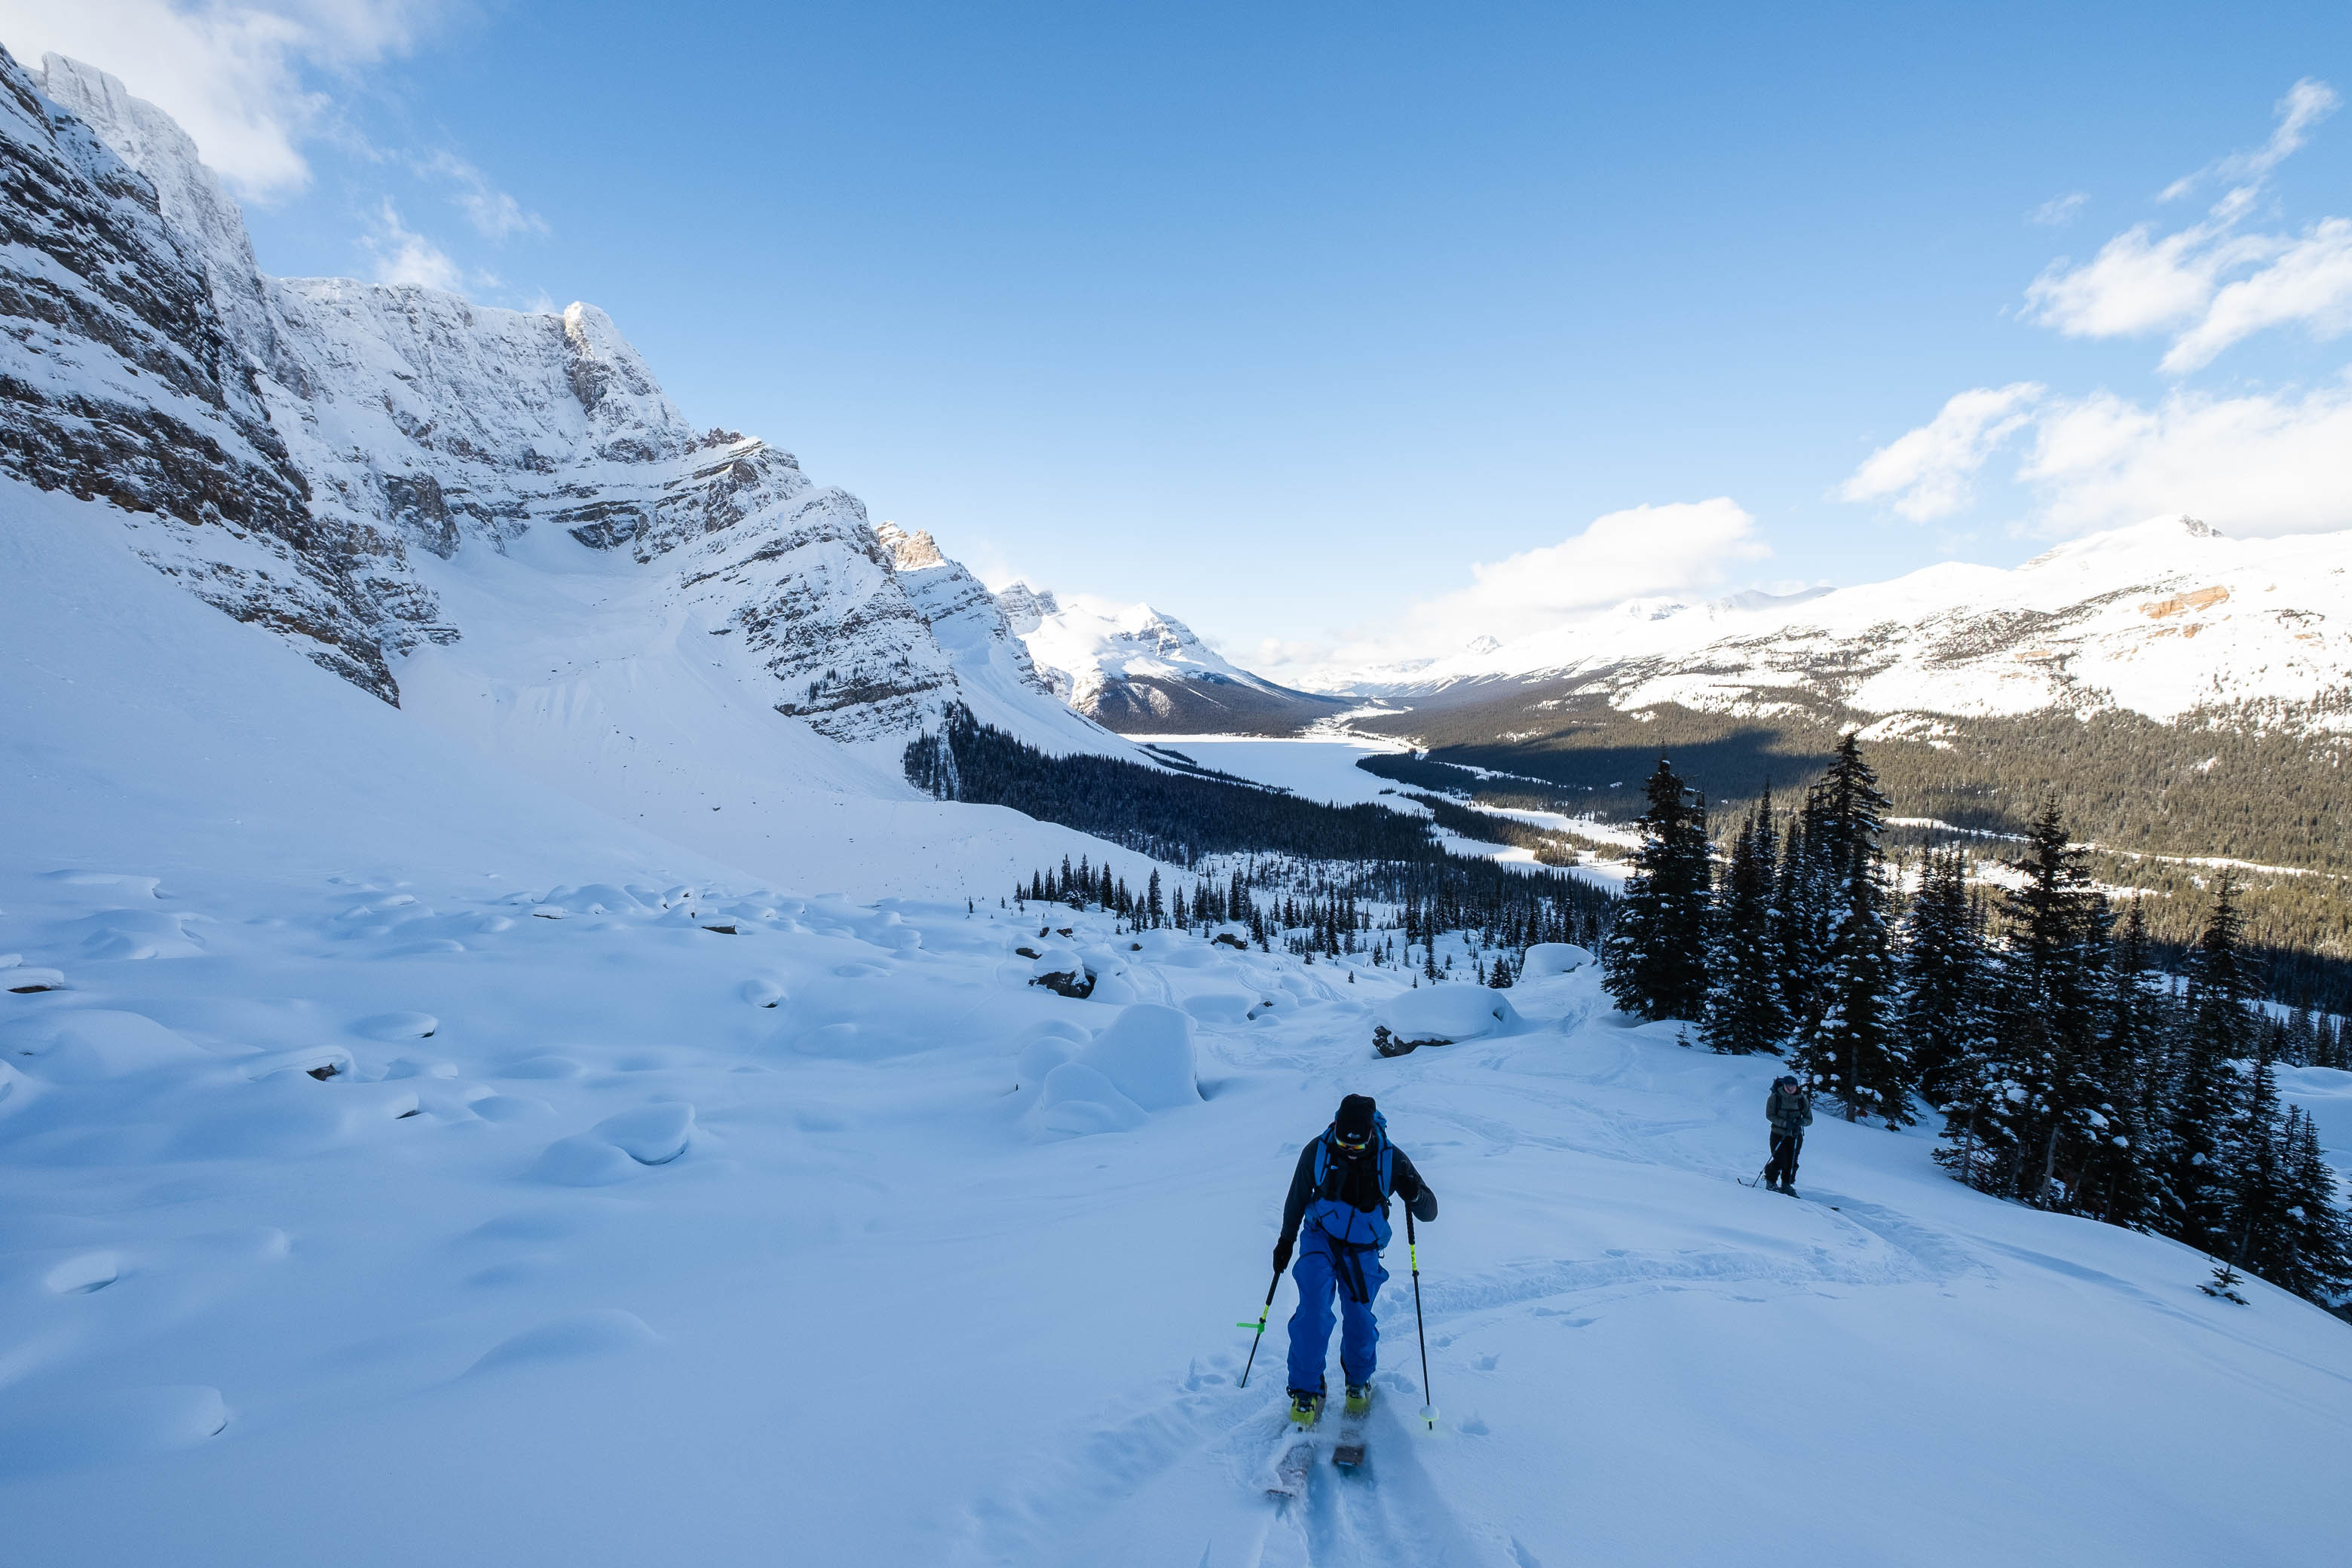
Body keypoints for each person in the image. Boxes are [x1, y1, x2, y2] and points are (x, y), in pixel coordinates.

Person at [1272, 1093, 1437, 1426]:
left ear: (1370, 1135)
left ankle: (1358, 1381)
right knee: (1313, 1310)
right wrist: (1285, 1241)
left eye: (1357, 1146)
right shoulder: (1318, 1151)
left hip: (1363, 1247)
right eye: (1344, 1143)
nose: (1349, 1150)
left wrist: (1414, 1194)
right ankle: (1306, 1390)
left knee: (1359, 1318)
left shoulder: (1391, 1159)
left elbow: (1430, 1211)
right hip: (1321, 1236)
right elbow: (1297, 1197)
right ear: (1335, 1128)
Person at [1763, 1073, 1813, 1194]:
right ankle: (1770, 1180)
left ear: (1796, 1086)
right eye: (1787, 1086)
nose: (1790, 1088)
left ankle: (1787, 1185)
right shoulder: (1775, 1098)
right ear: (1783, 1086)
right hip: (1778, 1133)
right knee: (1780, 1159)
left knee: (1792, 1161)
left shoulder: (1802, 1100)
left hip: (1795, 1135)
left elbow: (1809, 1119)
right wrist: (1785, 1124)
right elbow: (1770, 1115)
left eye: (1792, 1086)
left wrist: (1802, 1122)